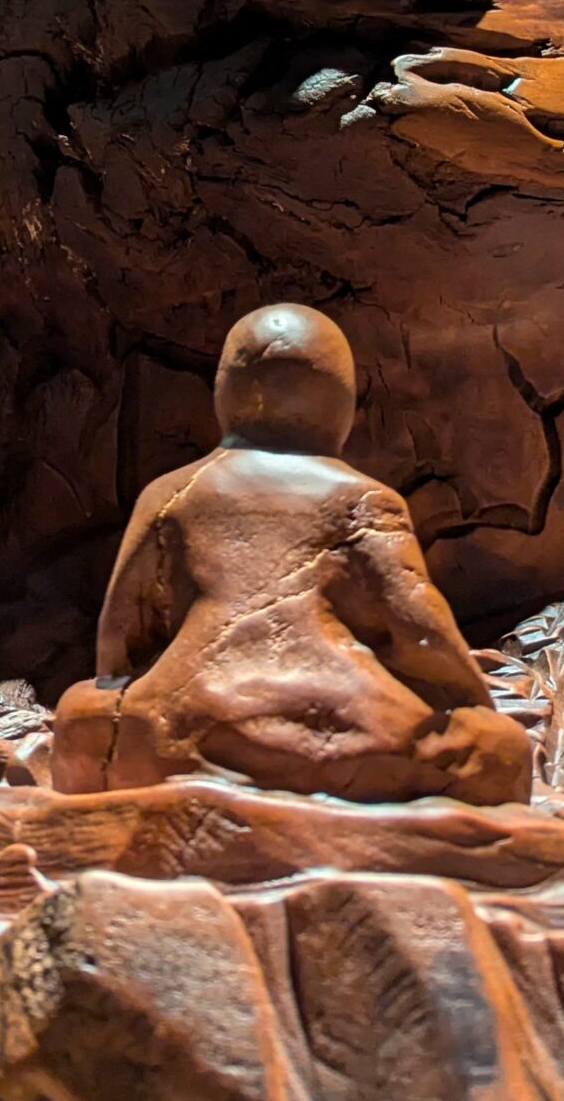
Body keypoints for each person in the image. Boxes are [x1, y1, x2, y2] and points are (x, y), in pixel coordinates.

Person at [50, 303, 533, 806]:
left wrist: (121, 700)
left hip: (176, 733)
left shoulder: (171, 493)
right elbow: (420, 627)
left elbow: (119, 638)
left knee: (82, 712)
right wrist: (474, 703)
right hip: (343, 740)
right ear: (341, 403)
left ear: (225, 392)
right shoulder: (365, 499)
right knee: (501, 748)